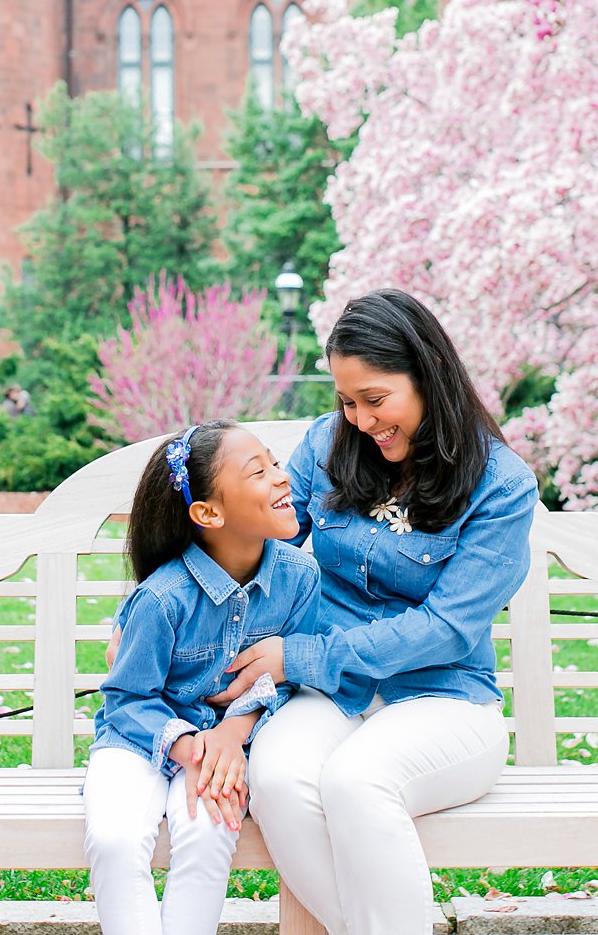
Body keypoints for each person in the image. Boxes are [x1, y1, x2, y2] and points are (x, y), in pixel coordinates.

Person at [207, 289, 537, 935]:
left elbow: (446, 628)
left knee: (357, 781)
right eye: (346, 401)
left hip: (445, 700)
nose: (359, 419)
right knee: (277, 779)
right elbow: (261, 538)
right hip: (337, 694)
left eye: (375, 399)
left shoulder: (501, 484)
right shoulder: (329, 445)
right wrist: (163, 602)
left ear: (429, 375)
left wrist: (299, 654)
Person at [85, 419, 321, 935]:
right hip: (139, 739)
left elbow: (288, 682)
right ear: (208, 513)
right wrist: (191, 745)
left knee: (209, 831)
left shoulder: (300, 579)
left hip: (229, 749)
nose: (281, 477)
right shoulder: (163, 599)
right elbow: (126, 700)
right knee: (115, 839)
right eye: (257, 471)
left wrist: (232, 736)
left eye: (275, 463)